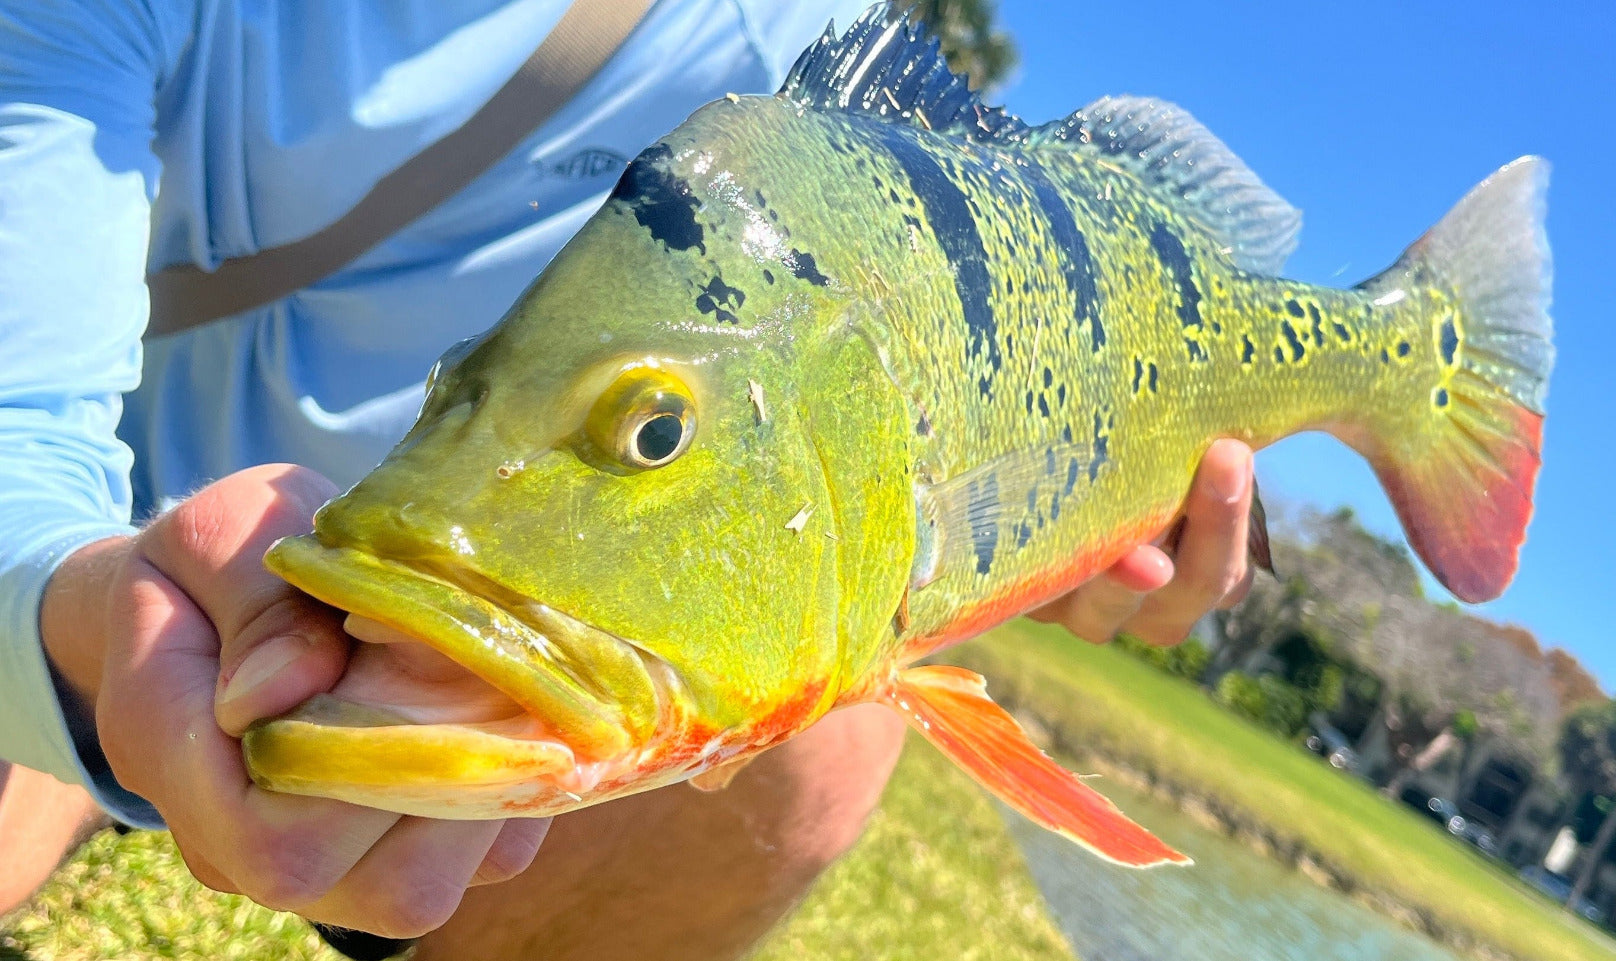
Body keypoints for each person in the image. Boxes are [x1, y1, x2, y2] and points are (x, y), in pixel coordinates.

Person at [0, 1, 1260, 957]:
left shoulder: (799, 50)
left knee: (826, 743)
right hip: (118, 556)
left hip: (390, 616)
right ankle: (77, 770)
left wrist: (1074, 549)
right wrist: (85, 609)